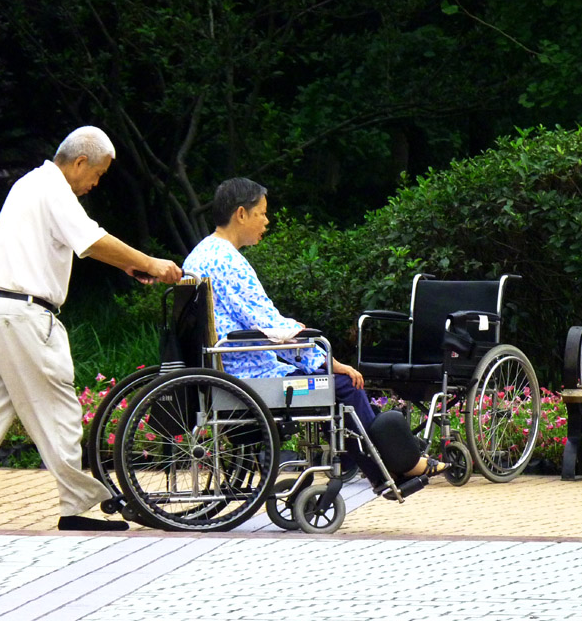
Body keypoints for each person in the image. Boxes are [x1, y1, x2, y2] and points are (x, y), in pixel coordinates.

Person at [0, 126, 183, 531]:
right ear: (80, 162)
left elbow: (85, 240)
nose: (95, 184)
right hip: (26, 317)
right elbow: (92, 240)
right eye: (97, 174)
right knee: (62, 409)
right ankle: (76, 507)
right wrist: (151, 263)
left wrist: (128, 265)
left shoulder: (29, 184)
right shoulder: (54, 190)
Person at [182, 177, 446, 487]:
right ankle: (392, 469)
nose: (267, 221)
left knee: (331, 384)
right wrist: (327, 361)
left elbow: (261, 322)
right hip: (253, 377)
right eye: (262, 213)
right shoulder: (229, 263)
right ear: (241, 214)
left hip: (226, 368)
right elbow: (271, 328)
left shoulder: (198, 256)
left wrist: (293, 331)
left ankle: (385, 465)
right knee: (343, 385)